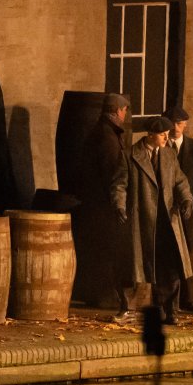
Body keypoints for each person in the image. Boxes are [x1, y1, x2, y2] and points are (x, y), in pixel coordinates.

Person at [110, 115, 193, 326]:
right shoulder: (130, 155)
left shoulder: (168, 155)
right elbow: (119, 185)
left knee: (170, 265)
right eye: (162, 135)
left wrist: (186, 199)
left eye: (167, 134)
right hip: (141, 219)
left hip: (167, 219)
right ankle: (127, 309)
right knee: (132, 265)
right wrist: (119, 205)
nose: (167, 138)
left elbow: (180, 180)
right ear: (150, 135)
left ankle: (168, 310)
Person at [77, 93, 133, 316]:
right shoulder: (107, 137)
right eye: (125, 110)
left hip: (96, 203)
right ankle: (106, 297)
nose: (126, 114)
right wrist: (117, 201)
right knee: (106, 251)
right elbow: (113, 173)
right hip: (102, 205)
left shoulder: (104, 132)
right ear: (119, 111)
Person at [162, 105, 193, 313]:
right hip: (167, 209)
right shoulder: (162, 147)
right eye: (172, 124)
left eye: (180, 124)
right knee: (168, 252)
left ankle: (187, 298)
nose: (175, 128)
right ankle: (168, 300)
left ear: (185, 125)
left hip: (188, 210)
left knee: (187, 251)